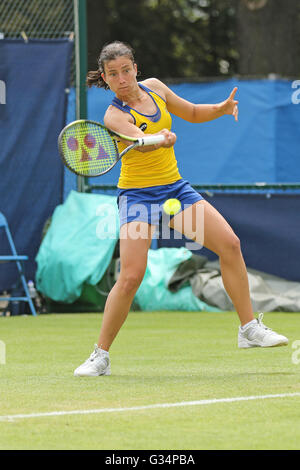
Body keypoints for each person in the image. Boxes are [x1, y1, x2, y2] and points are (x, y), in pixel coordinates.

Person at [74, 41, 288, 377]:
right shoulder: (113, 115)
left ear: (135, 68)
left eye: (126, 70)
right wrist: (159, 139)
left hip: (174, 191)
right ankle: (100, 355)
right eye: (113, 74)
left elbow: (190, 112)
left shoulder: (156, 88)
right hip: (137, 197)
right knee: (131, 276)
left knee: (230, 244)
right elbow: (137, 142)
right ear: (105, 77)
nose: (121, 78)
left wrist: (220, 107)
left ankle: (248, 329)